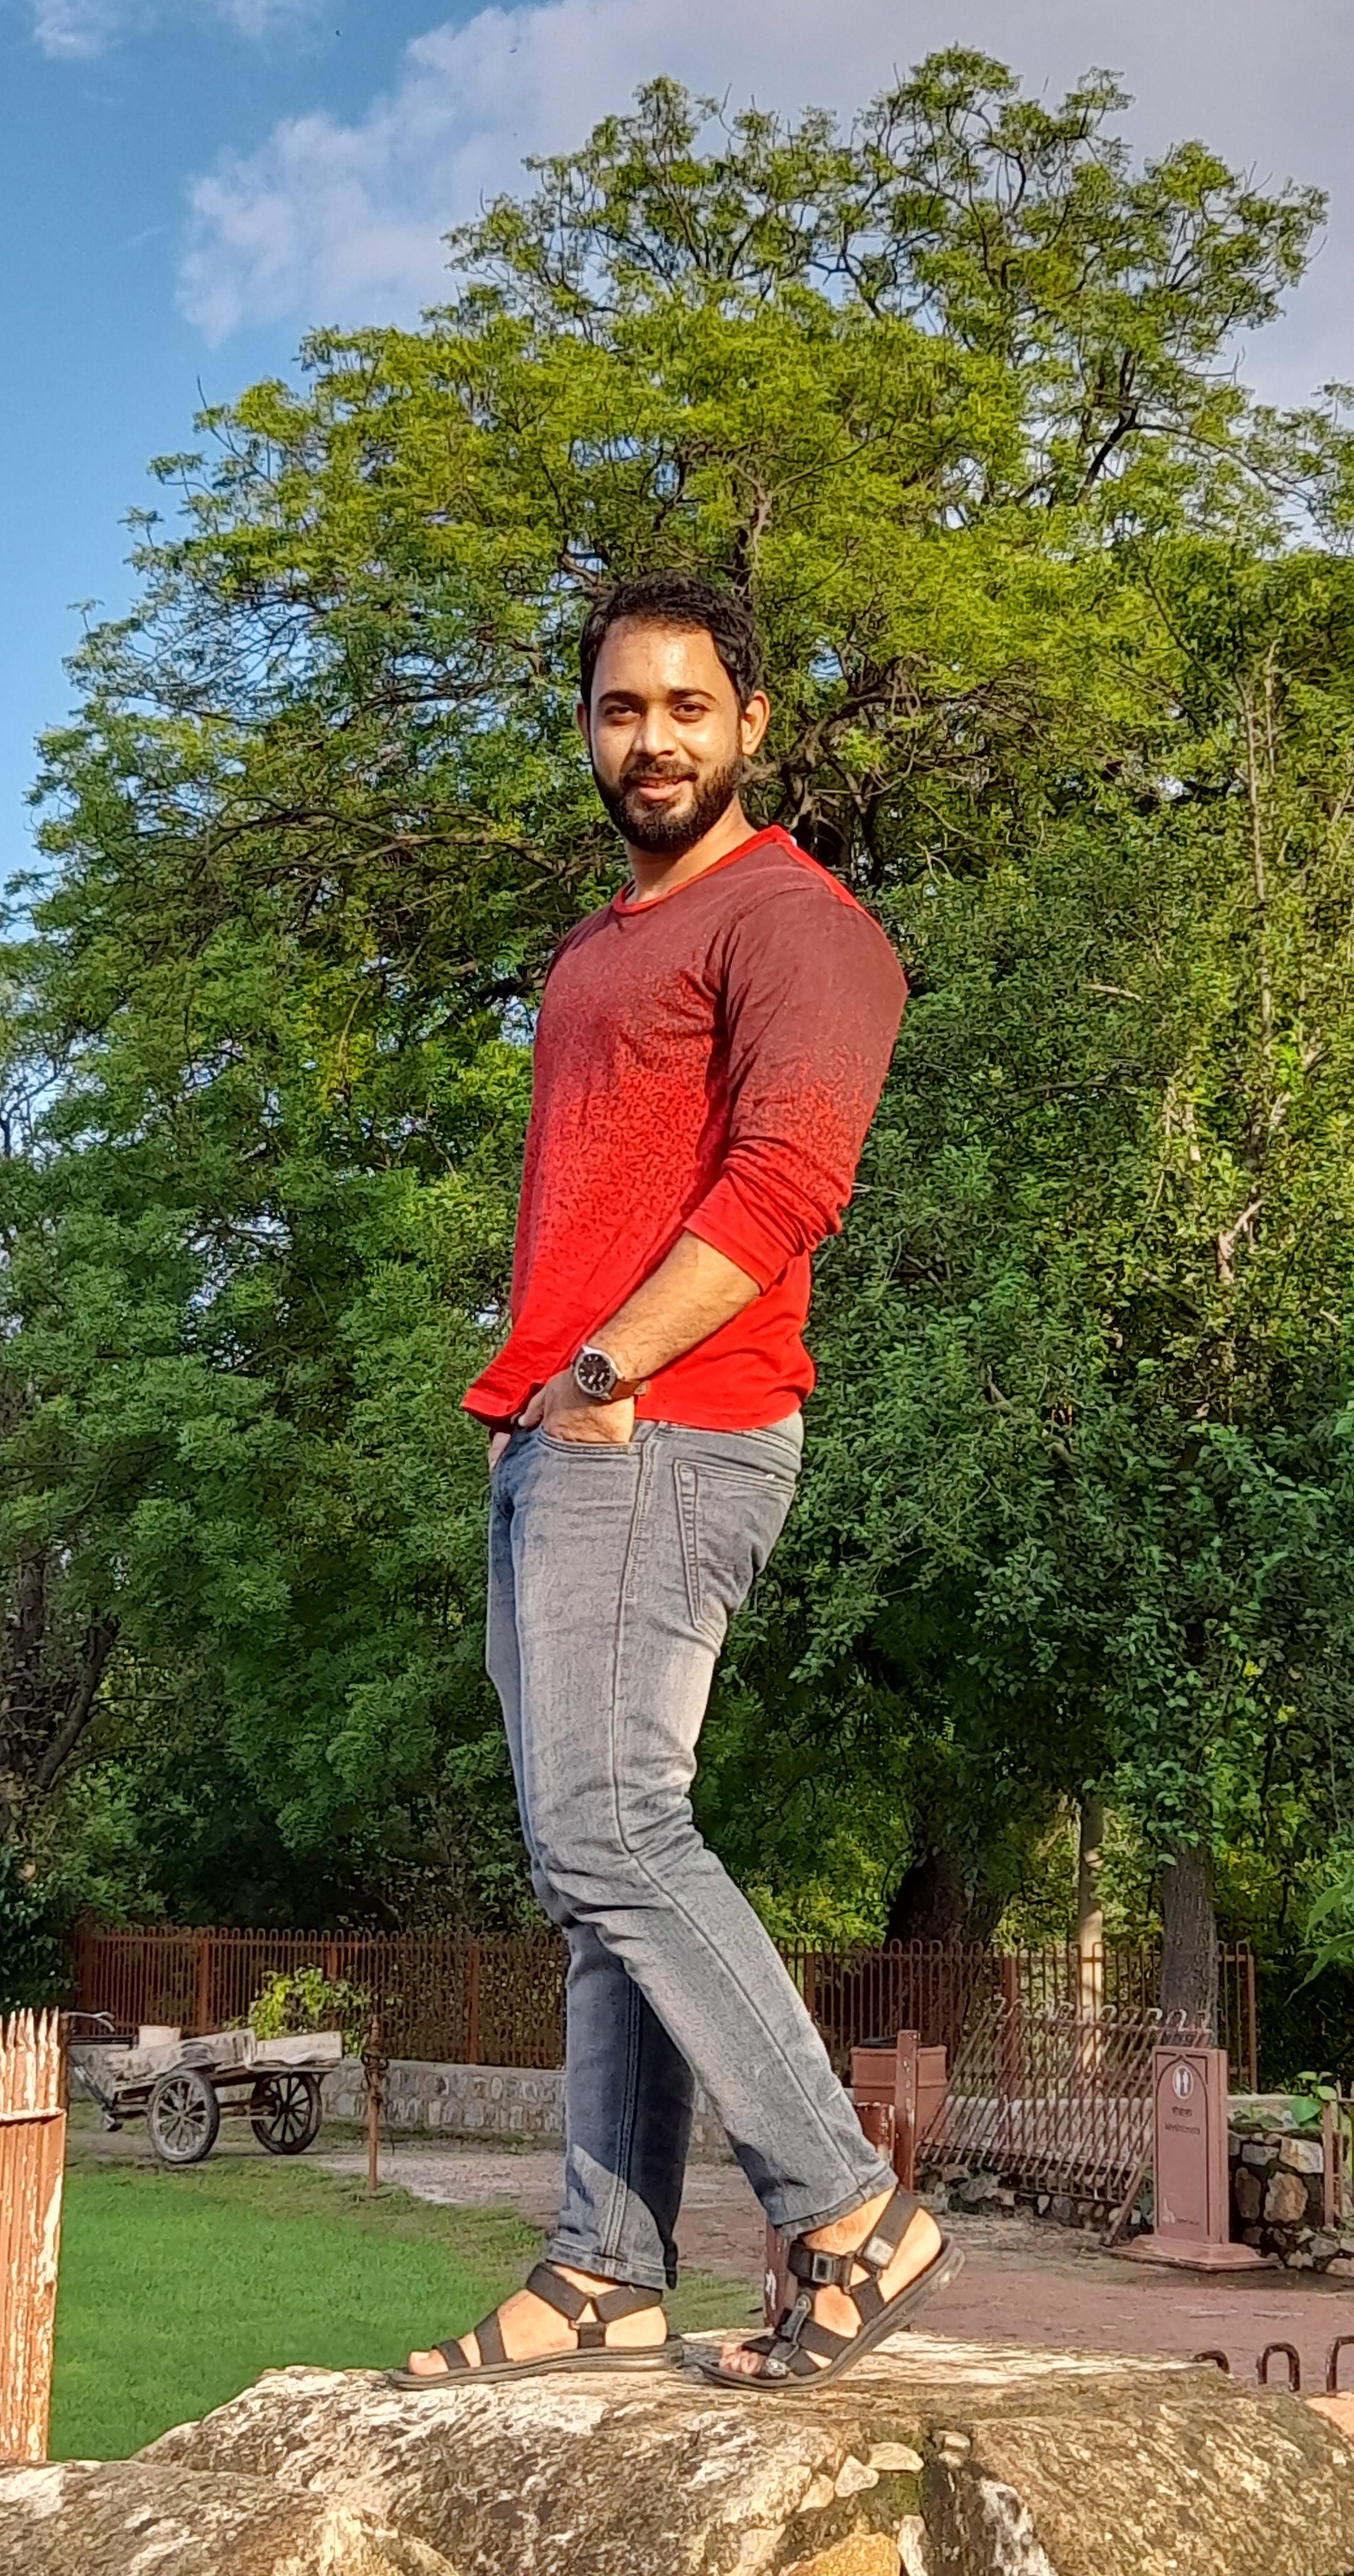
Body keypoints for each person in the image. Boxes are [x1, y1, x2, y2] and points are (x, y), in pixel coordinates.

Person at [397, 574, 960, 2394]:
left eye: (688, 706)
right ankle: (606, 2270)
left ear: (752, 723)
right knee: (590, 1873)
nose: (653, 740)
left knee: (612, 1828)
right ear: (588, 726)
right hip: (562, 1434)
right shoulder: (594, 951)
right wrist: (527, 1404)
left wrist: (605, 1376)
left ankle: (848, 2210)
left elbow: (788, 1185)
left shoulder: (798, 923)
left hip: (670, 1423)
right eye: (622, 707)